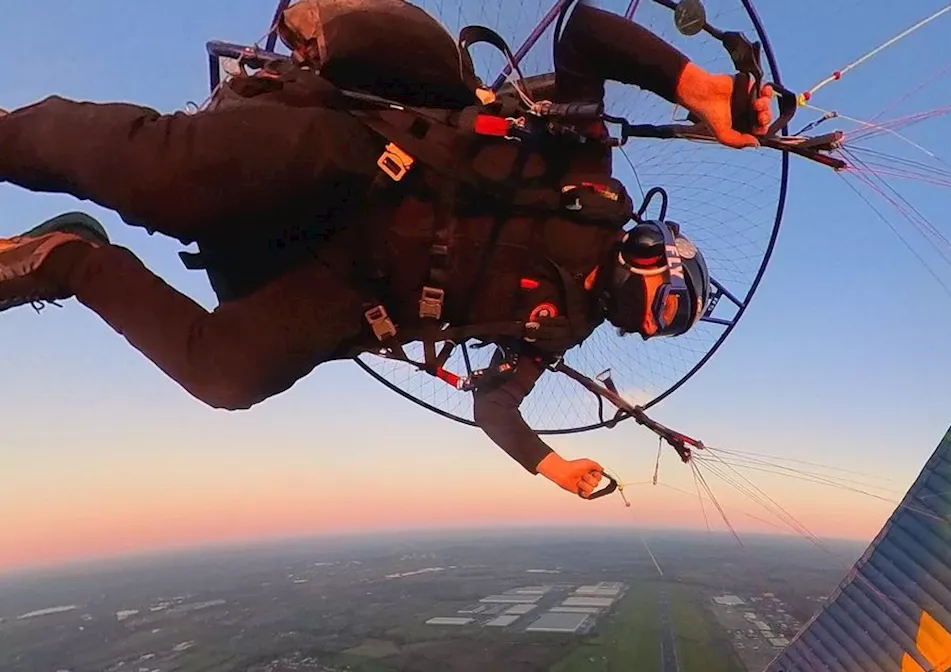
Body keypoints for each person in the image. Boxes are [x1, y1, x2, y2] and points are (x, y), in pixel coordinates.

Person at [0, 1, 773, 499]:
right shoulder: (587, 173)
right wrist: (697, 87)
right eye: (671, 298)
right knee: (165, 182)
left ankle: (67, 258)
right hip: (360, 166)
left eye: (660, 326)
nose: (649, 320)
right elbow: (584, 37)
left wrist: (552, 467)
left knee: (227, 375)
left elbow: (493, 405)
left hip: (352, 294)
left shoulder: (556, 329)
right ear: (657, 250)